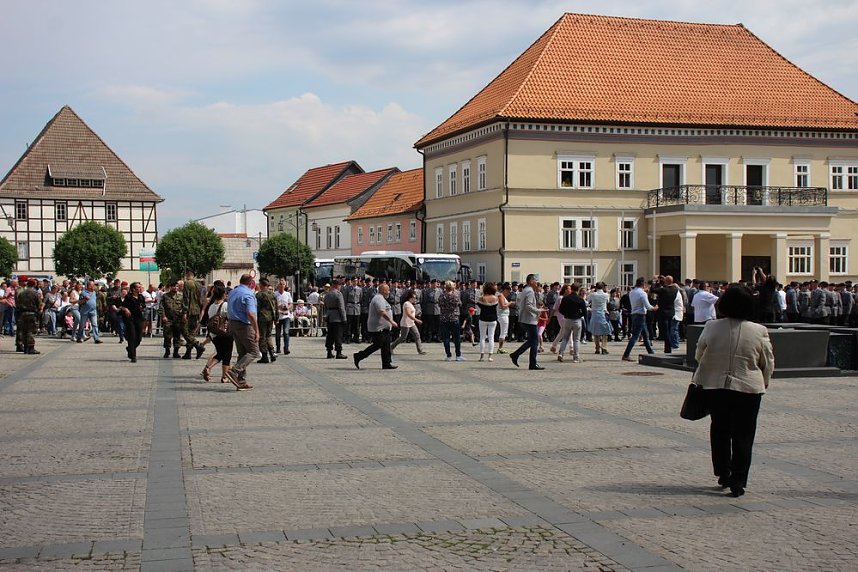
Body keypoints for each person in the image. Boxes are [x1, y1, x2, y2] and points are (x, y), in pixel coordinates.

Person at [693, 285, 775, 498]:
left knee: (720, 429)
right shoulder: (759, 330)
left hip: (716, 386)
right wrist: (763, 382)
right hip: (748, 387)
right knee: (744, 434)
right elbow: (767, 361)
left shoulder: (712, 327)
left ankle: (723, 471)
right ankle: (739, 479)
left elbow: (699, 354)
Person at [353, 283, 398, 370]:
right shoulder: (378, 298)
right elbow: (381, 312)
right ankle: (359, 356)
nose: (389, 292)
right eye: (387, 290)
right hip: (378, 327)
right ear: (383, 290)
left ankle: (386, 363)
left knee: (386, 345)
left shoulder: (382, 298)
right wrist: (391, 321)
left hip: (384, 327)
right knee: (378, 344)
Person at [225, 274, 258, 390]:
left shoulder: (233, 292)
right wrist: (257, 330)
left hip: (232, 323)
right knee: (254, 351)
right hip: (244, 325)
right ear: (250, 283)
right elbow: (251, 314)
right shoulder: (248, 294)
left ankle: (241, 381)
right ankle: (235, 371)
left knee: (242, 353)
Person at [200, 284, 233, 383]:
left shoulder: (211, 307)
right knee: (227, 356)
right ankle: (224, 377)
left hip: (214, 335)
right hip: (225, 334)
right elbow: (231, 318)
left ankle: (208, 367)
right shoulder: (225, 305)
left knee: (219, 354)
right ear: (223, 295)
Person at [509, 274, 543, 370]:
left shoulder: (526, 290)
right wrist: (538, 311)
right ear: (531, 281)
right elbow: (528, 306)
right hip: (529, 319)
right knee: (534, 341)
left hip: (526, 318)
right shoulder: (529, 291)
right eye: (535, 280)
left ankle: (518, 356)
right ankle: (530, 362)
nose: (537, 282)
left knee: (533, 341)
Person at [621, 277, 657, 362]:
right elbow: (648, 306)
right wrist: (654, 308)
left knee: (645, 334)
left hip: (634, 314)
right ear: (643, 284)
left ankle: (650, 351)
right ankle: (626, 354)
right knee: (635, 336)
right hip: (640, 314)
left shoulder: (632, 292)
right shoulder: (642, 293)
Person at [556, 284, 587, 362]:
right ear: (578, 289)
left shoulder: (565, 298)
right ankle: (576, 357)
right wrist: (580, 315)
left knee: (565, 338)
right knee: (576, 339)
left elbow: (560, 309)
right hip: (577, 320)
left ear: (571, 289)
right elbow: (585, 312)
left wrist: (566, 314)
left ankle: (561, 353)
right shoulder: (580, 299)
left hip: (567, 319)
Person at [390, 289, 426, 355]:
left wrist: (416, 316)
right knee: (403, 338)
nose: (415, 299)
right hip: (405, 323)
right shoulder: (406, 304)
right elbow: (408, 314)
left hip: (411, 323)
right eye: (413, 298)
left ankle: (420, 350)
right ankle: (391, 347)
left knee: (417, 335)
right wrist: (416, 320)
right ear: (409, 298)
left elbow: (411, 313)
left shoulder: (411, 304)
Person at [181, 270, 205, 360]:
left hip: (189, 311)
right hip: (196, 310)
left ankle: (197, 345)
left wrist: (184, 312)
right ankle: (188, 353)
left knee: (185, 331)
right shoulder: (199, 284)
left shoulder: (187, 283)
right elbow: (200, 298)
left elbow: (186, 298)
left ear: (188, 274)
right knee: (191, 332)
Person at [120, 282, 146, 363]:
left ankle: (130, 349)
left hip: (138, 318)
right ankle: (133, 356)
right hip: (130, 319)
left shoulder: (141, 297)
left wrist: (142, 308)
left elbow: (143, 306)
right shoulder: (128, 297)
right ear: (133, 289)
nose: (139, 288)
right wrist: (126, 309)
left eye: (140, 287)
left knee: (139, 338)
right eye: (138, 287)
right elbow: (122, 306)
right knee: (132, 336)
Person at [438, 280, 463, 361]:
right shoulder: (455, 295)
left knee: (446, 338)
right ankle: (458, 355)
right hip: (454, 318)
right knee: (456, 338)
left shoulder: (442, 296)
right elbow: (459, 304)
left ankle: (448, 355)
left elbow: (439, 305)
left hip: (444, 318)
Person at [255, 278, 278, 363]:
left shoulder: (259, 295)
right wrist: (276, 318)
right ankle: (272, 353)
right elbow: (276, 307)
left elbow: (257, 308)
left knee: (262, 337)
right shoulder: (273, 294)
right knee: (268, 336)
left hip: (262, 318)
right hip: (270, 318)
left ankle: (264, 356)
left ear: (261, 285)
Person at [159, 282, 185, 358]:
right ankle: (167, 351)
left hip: (178, 319)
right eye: (173, 286)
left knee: (177, 336)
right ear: (170, 287)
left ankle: (176, 352)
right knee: (167, 336)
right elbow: (161, 307)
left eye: (177, 286)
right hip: (168, 319)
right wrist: (163, 316)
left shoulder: (181, 296)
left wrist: (184, 315)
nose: (175, 288)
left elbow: (184, 307)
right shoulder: (165, 296)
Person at [15, 279, 41, 354]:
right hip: (32, 313)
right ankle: (31, 348)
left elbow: (18, 303)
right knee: (31, 331)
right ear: (34, 285)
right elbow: (39, 304)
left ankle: (25, 348)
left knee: (24, 331)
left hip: (22, 314)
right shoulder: (35, 293)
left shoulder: (21, 293)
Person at [323, 279, 348, 359]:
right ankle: (338, 352)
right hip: (337, 317)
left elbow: (325, 306)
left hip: (330, 316)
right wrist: (344, 319)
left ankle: (329, 352)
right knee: (338, 335)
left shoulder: (327, 294)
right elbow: (341, 307)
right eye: (340, 285)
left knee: (330, 335)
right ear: (337, 285)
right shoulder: (338, 294)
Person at [587, 282, 613, 354]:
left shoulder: (593, 295)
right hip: (603, 313)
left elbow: (587, 301)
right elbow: (607, 302)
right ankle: (604, 347)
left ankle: (597, 348)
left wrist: (590, 307)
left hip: (595, 314)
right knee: (605, 332)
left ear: (596, 287)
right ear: (602, 287)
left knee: (596, 332)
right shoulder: (606, 295)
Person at [476, 282, 499, 362]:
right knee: (491, 337)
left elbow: (478, 304)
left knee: (482, 337)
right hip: (493, 319)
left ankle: (482, 356)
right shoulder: (496, 298)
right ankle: (490, 356)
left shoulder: (482, 298)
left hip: (483, 318)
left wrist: (482, 293)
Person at [76, 280, 103, 344]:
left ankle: (96, 338)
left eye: (93, 285)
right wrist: (84, 299)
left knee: (95, 324)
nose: (93, 286)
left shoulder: (94, 292)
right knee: (82, 325)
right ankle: (79, 337)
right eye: (92, 285)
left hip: (93, 311)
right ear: (88, 285)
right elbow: (79, 302)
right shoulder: (83, 293)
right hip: (85, 312)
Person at [275, 281, 293, 356]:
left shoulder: (287, 294)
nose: (282, 286)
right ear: (278, 285)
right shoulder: (275, 294)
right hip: (278, 316)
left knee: (286, 332)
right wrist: (279, 307)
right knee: (278, 334)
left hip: (286, 316)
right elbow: (273, 304)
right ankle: (278, 347)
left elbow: (291, 303)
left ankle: (286, 348)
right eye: (280, 284)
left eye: (283, 284)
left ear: (285, 286)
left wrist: (287, 308)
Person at [496, 283, 514, 354]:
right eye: (508, 291)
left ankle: (501, 348)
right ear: (505, 290)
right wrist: (510, 303)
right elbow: (503, 306)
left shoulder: (502, 296)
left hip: (504, 315)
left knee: (504, 332)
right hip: (502, 316)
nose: (508, 293)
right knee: (503, 332)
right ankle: (500, 348)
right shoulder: (500, 295)